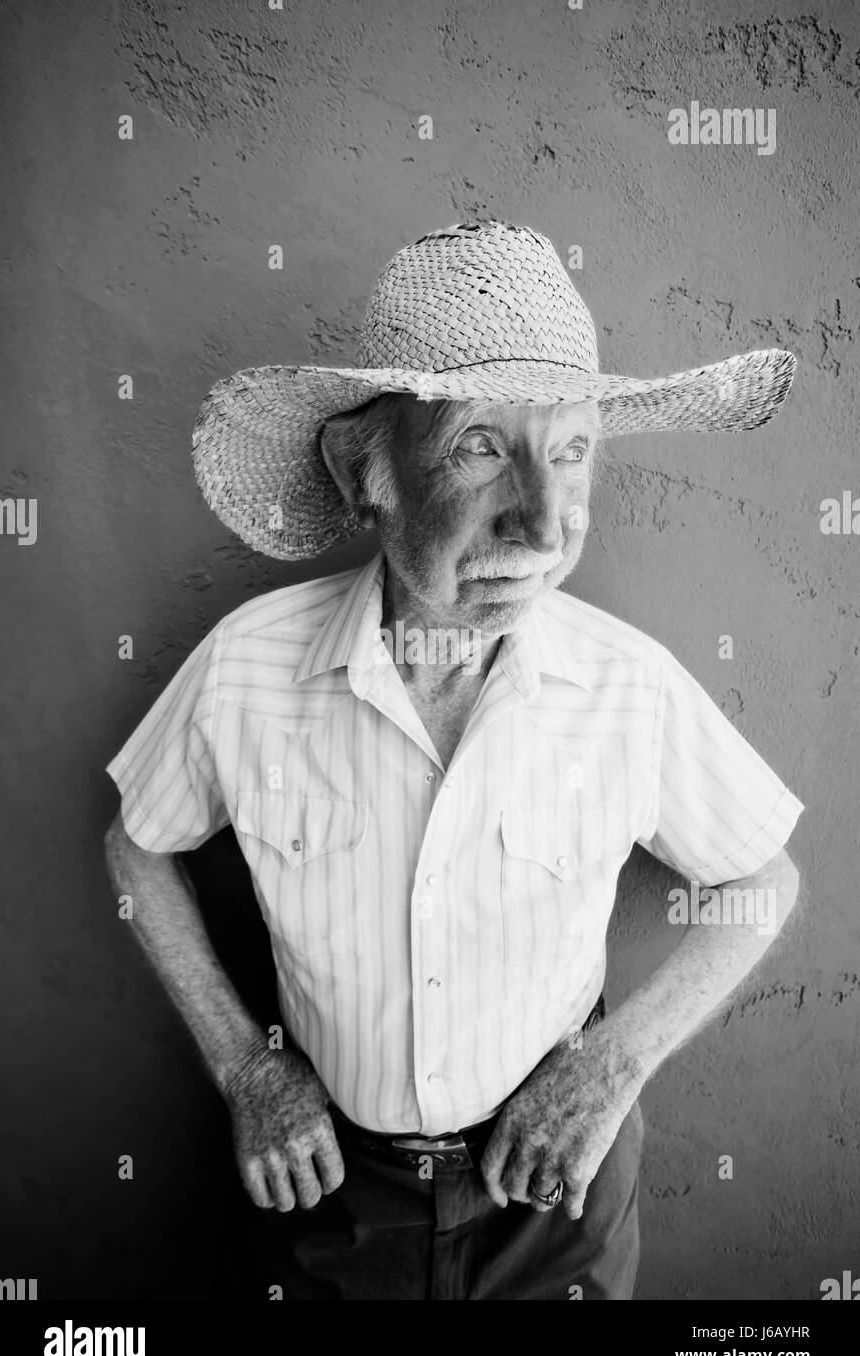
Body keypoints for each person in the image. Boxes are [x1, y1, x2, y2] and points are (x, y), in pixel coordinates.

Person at [104, 220, 803, 1300]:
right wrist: (247, 1066)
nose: (542, 518)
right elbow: (137, 849)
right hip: (327, 1198)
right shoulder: (246, 668)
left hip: (553, 1200)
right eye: (481, 444)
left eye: (568, 448)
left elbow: (760, 879)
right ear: (363, 470)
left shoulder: (628, 683)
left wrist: (610, 1069)